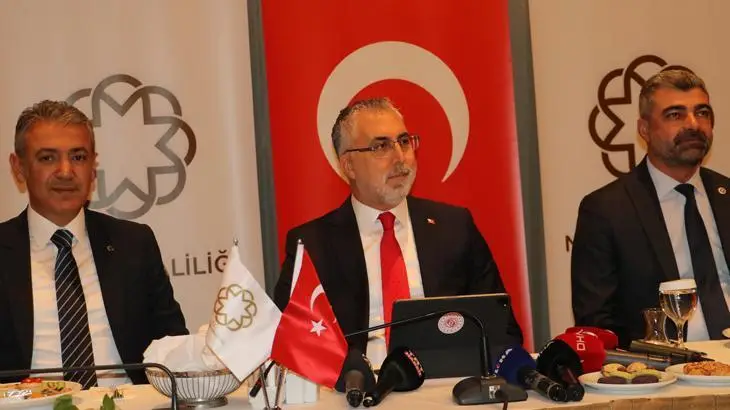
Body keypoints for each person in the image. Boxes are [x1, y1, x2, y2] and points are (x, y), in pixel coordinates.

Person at [273, 97, 522, 367]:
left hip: (446, 383)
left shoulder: (454, 227)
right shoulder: (312, 245)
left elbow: (502, 330)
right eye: (381, 146)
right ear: (349, 166)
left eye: (404, 142)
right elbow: (289, 344)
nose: (400, 157)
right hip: (358, 385)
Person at [0, 100, 188, 387]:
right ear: (19, 167)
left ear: (93, 166)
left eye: (78, 157)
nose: (66, 171)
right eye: (48, 158)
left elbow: (174, 348)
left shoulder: (134, 244)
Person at [571, 69, 730, 347]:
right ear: (644, 129)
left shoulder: (725, 195)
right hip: (664, 364)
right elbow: (596, 321)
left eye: (702, 113)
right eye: (675, 115)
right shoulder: (607, 210)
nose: (693, 124)